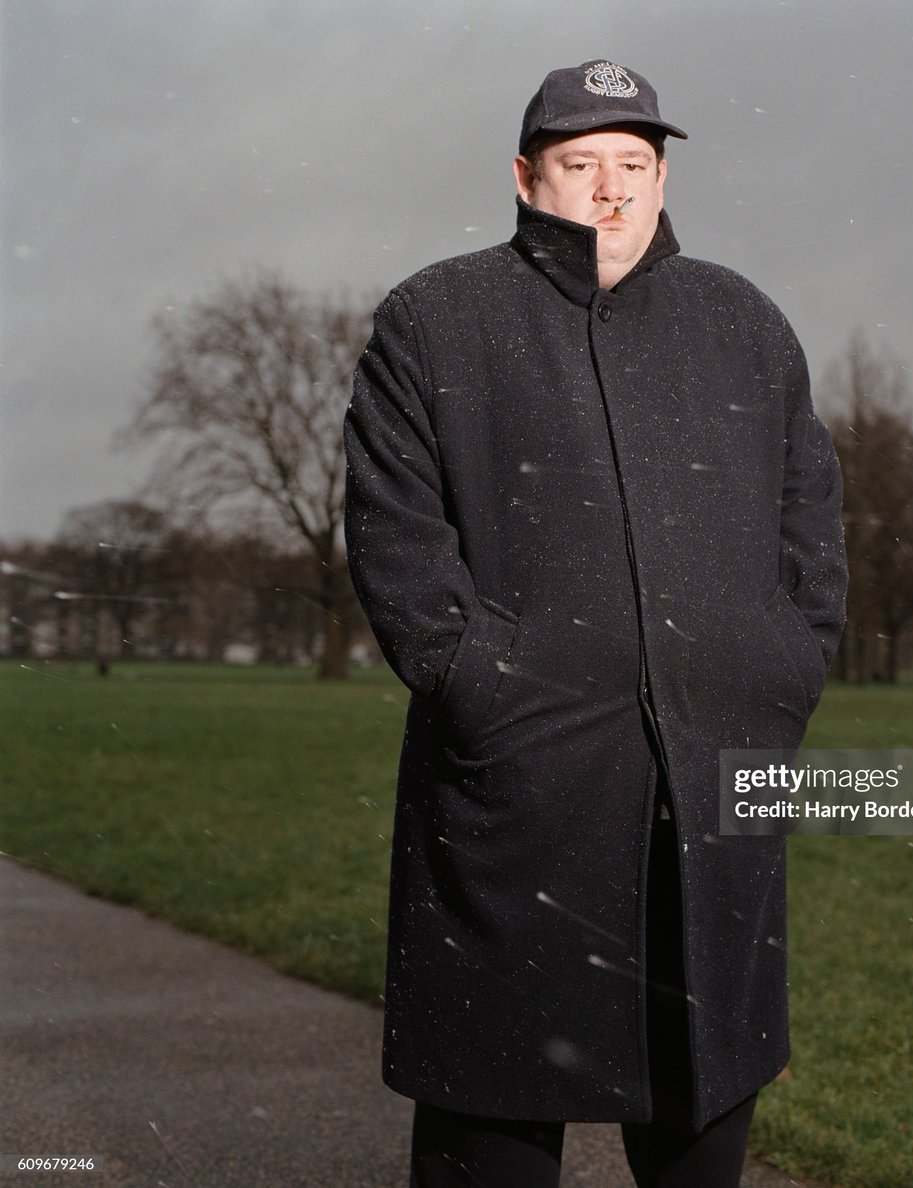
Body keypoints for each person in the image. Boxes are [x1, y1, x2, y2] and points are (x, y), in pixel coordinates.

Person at [344, 59, 847, 1188]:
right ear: (526, 178)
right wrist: (481, 687)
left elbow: (809, 517)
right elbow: (397, 542)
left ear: (662, 178)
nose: (612, 190)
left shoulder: (744, 322)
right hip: (517, 790)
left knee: (700, 1105)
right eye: (582, 165)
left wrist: (781, 670)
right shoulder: (436, 318)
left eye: (636, 164)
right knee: (493, 1121)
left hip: (714, 777)